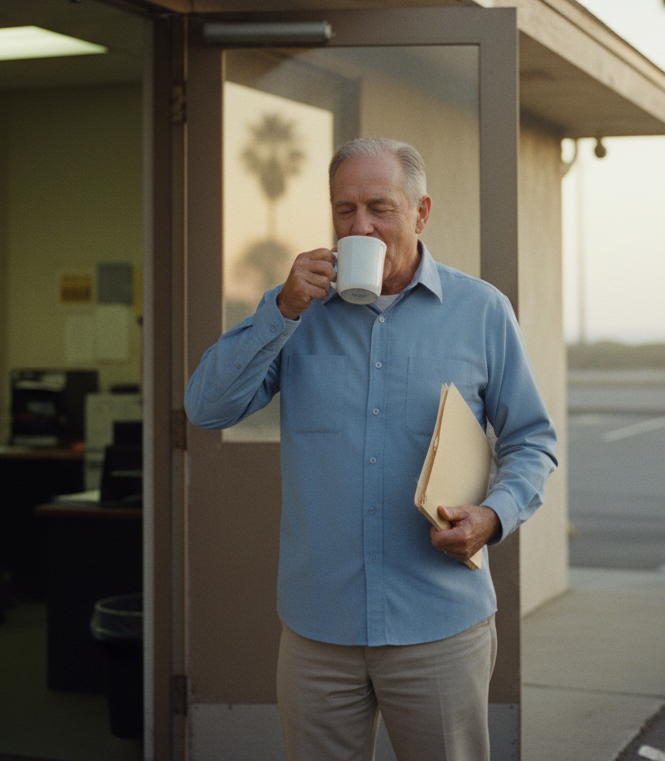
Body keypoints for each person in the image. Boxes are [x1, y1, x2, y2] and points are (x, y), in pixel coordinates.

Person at [185, 137, 557, 761]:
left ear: (421, 212)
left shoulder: (482, 311)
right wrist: (281, 310)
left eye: (380, 208)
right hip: (318, 630)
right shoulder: (296, 313)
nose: (360, 227)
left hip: (439, 624)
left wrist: (494, 516)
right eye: (345, 209)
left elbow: (531, 441)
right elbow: (206, 408)